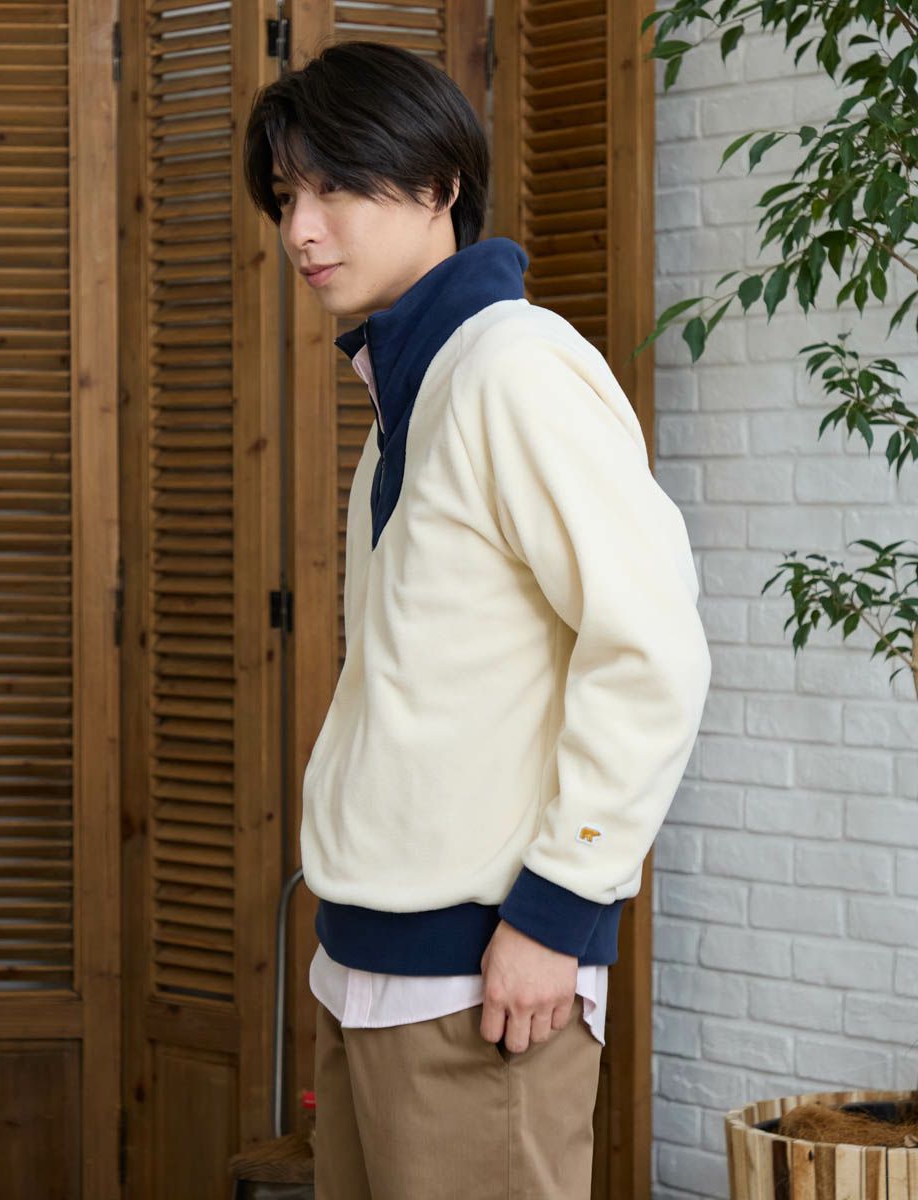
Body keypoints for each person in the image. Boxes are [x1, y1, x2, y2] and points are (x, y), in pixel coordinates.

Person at [243, 40, 712, 1199]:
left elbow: (651, 649)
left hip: (481, 976)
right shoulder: (412, 396)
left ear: (439, 185)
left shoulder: (515, 372)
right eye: (288, 196)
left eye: (336, 187)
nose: (302, 229)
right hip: (369, 965)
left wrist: (559, 916)